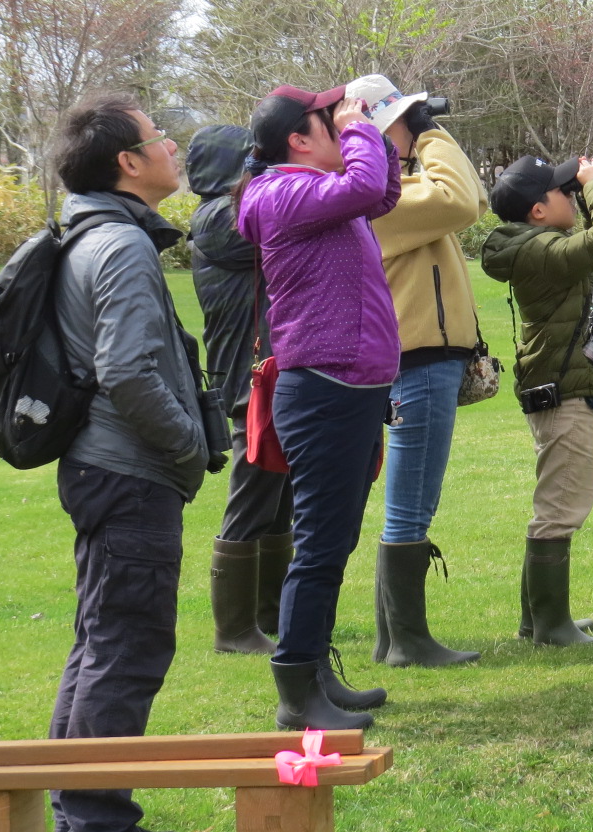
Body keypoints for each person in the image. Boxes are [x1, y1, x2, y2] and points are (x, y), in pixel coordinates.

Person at [48, 92, 212, 832]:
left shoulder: (90, 233)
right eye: (160, 137)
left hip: (101, 472)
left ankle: (79, 803)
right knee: (127, 646)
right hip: (129, 473)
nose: (172, 147)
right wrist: (187, 444)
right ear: (128, 162)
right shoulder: (120, 246)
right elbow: (128, 373)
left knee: (102, 640)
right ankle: (95, 818)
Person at [236, 84, 401, 729]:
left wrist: (371, 129)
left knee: (335, 540)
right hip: (327, 389)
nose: (340, 125)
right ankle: (296, 687)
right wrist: (360, 126)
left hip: (352, 387)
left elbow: (380, 192)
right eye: (326, 120)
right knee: (321, 545)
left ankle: (316, 674)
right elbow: (366, 188)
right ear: (297, 141)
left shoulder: (320, 197)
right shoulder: (282, 193)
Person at [346, 73, 484, 669]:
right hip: (417, 361)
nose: (417, 127)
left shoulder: (390, 194)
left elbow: (463, 198)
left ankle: (394, 637)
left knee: (411, 498)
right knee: (411, 503)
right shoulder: (380, 203)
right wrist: (428, 134)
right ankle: (406, 639)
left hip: (423, 357)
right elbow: (463, 198)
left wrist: (412, 132)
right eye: (405, 120)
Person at [480, 154, 593, 646]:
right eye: (565, 191)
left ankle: (537, 620)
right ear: (538, 210)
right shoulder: (542, 251)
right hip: (564, 396)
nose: (573, 195)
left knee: (555, 503)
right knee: (560, 507)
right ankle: (551, 628)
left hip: (561, 390)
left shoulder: (536, 244)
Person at [186, 124, 294, 656]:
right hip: (250, 381)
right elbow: (272, 214)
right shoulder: (216, 219)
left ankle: (268, 617)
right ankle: (233, 630)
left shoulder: (230, 209)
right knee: (252, 500)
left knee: (279, 501)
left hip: (270, 374)